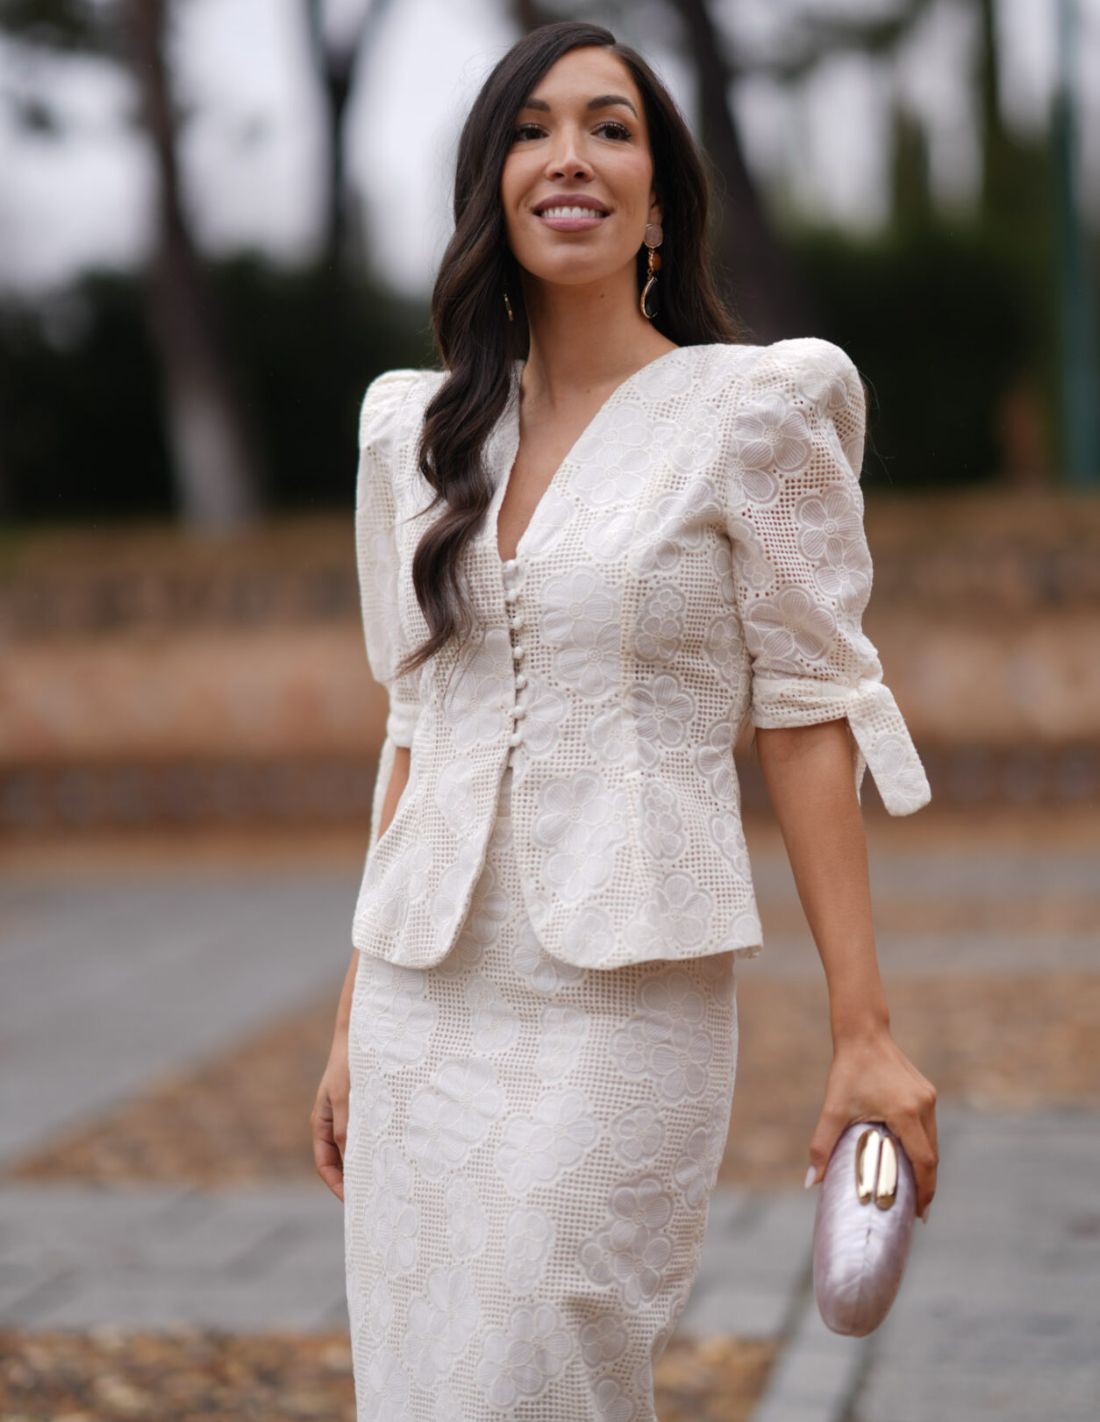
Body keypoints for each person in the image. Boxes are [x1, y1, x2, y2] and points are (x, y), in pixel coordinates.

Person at [311, 19, 939, 1420]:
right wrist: (354, 1019)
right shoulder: (414, 434)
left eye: (611, 127)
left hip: (625, 995)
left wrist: (864, 1028)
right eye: (531, 130)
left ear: (659, 199)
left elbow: (807, 712)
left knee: (544, 1361)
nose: (570, 157)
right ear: (489, 186)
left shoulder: (754, 411)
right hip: (422, 997)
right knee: (426, 1387)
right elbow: (416, 724)